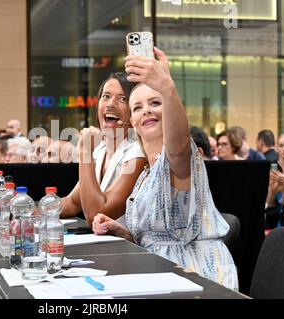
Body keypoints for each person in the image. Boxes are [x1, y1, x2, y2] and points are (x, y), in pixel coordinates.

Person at [92, 48, 238, 290]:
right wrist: (123, 231)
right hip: (157, 272)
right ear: (133, 123)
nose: (146, 110)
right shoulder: (145, 174)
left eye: (155, 103)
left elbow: (177, 145)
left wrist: (168, 88)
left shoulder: (178, 157)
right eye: (137, 107)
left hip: (197, 278)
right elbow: (153, 236)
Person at [60, 72, 147, 226]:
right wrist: (33, 210)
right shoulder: (100, 149)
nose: (110, 104)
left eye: (123, 99)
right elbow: (73, 203)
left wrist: (85, 153)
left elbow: (96, 215)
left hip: (129, 248)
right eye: (106, 96)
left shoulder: (139, 152)